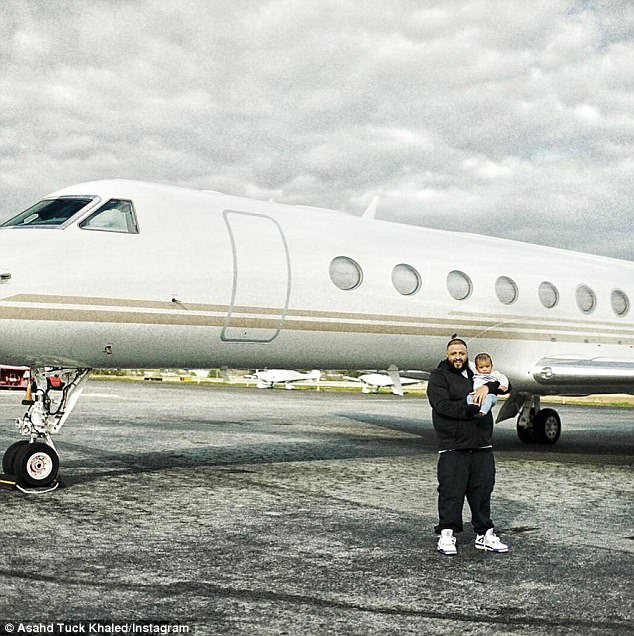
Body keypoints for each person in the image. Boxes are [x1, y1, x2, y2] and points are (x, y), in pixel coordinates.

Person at [426, 338, 509, 555]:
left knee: (482, 491)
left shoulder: (477, 373)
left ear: (466, 354)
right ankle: (446, 534)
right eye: (453, 353)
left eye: (461, 353)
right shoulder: (439, 376)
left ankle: (485, 533)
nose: (457, 357)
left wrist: (487, 386)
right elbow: (441, 405)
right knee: (451, 492)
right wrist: (469, 406)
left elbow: (504, 386)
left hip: (481, 443)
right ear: (447, 355)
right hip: (453, 445)